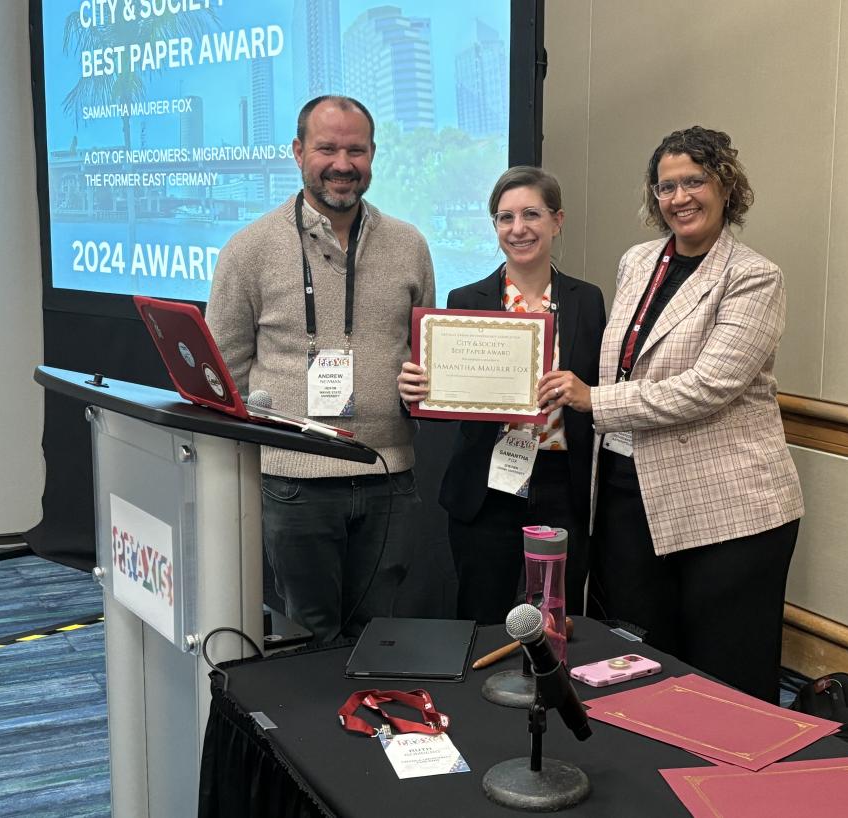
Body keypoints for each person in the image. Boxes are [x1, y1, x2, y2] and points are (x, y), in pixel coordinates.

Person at [537, 127, 804, 702]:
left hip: (728, 508)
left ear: (726, 186)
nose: (679, 197)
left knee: (724, 674)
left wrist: (592, 399)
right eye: (666, 186)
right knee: (643, 660)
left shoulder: (753, 276)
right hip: (628, 490)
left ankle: (728, 787)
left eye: (694, 181)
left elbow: (709, 387)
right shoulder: (638, 261)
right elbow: (625, 360)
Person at [206, 95, 435, 644]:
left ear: (373, 155)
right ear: (297, 151)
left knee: (377, 636)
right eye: (326, 147)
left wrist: (426, 384)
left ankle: (373, 726)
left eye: (355, 149)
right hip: (295, 484)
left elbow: (424, 350)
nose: (342, 163)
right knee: (309, 639)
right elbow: (222, 371)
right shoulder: (249, 248)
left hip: (387, 476)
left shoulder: (410, 245)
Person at [398, 166, 605, 625]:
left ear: (558, 220)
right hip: (486, 486)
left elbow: (601, 393)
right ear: (494, 226)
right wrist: (416, 392)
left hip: (560, 483)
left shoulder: (587, 301)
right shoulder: (466, 300)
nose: (518, 228)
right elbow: (444, 405)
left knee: (557, 617)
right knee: (482, 616)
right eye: (504, 217)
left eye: (532, 214)